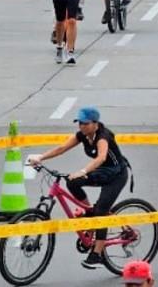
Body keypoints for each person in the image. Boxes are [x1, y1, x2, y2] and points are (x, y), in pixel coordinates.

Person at [28, 107, 130, 270]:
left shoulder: (103, 136)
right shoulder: (82, 135)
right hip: (103, 172)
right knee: (72, 182)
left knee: (101, 213)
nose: (81, 126)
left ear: (95, 123)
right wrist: (41, 157)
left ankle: (96, 254)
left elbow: (101, 157)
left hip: (117, 175)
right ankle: (89, 210)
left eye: (85, 123)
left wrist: (83, 171)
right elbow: (61, 148)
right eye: (79, 123)